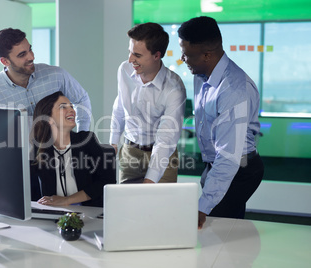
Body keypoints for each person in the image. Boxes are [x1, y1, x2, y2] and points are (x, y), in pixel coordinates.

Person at [178, 16, 264, 229]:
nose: (182, 59)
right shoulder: (201, 75)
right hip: (214, 164)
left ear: (207, 55)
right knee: (227, 230)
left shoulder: (233, 90)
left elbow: (228, 156)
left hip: (239, 168)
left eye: (187, 55)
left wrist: (202, 206)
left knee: (213, 228)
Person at [110, 22, 187, 184]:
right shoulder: (124, 70)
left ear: (157, 55)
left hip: (163, 155)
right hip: (130, 152)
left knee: (160, 207)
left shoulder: (174, 88)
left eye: (137, 55)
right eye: (130, 52)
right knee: (126, 205)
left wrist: (150, 180)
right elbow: (120, 106)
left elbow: (166, 138)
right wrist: (113, 142)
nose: (130, 59)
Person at [0, 28, 91, 132]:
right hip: (19, 153)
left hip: (60, 150)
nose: (31, 57)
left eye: (30, 49)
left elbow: (81, 99)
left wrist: (82, 134)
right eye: (22, 54)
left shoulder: (56, 75)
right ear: (5, 61)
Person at [30, 91, 116, 207]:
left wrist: (67, 200)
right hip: (53, 215)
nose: (72, 110)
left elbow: (106, 182)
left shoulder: (87, 140)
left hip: (90, 214)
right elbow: (29, 192)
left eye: (71, 106)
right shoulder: (38, 150)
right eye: (63, 107)